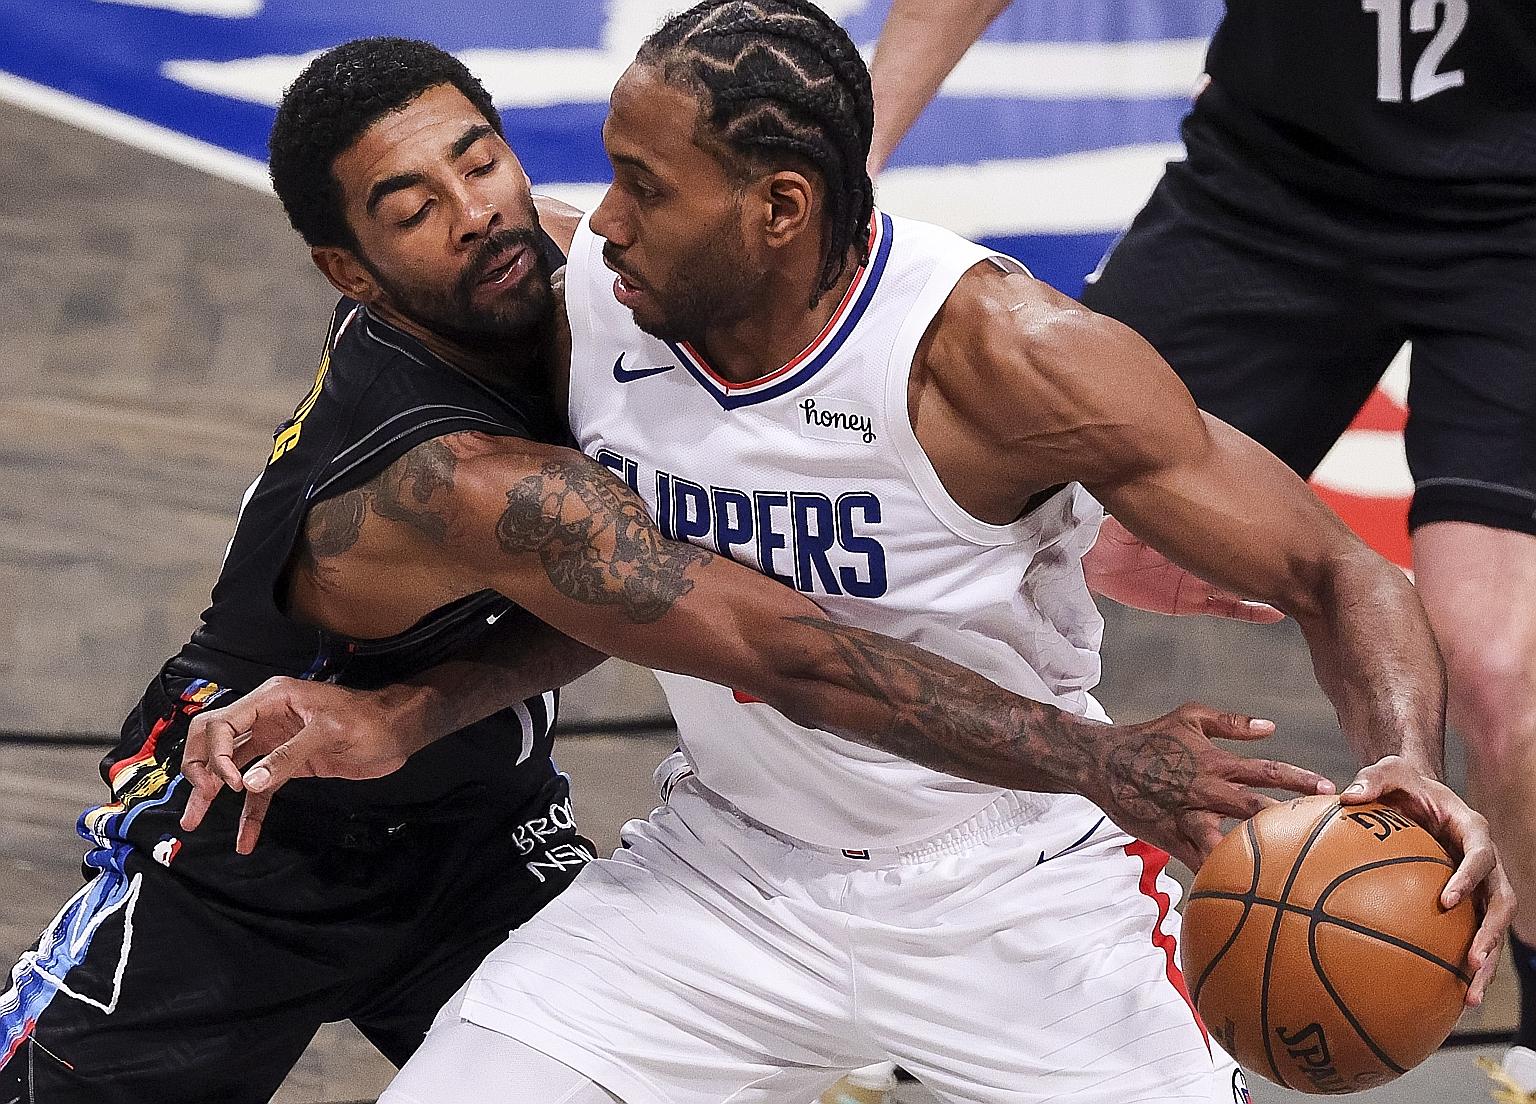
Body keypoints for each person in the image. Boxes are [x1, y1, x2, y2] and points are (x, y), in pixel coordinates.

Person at [190, 5, 1512, 1103]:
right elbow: (658, 602)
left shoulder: (1001, 357)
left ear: (775, 209)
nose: (596, 226)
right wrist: (405, 710)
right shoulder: (600, 301)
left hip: (1015, 891)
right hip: (724, 874)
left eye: (646, 189)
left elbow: (1345, 577)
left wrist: (1398, 763)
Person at [868, 1, 1536, 1096]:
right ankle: (896, 958)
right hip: (1278, 178)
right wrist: (861, 141)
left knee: (1503, 671)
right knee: (999, 516)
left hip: (1519, 212)